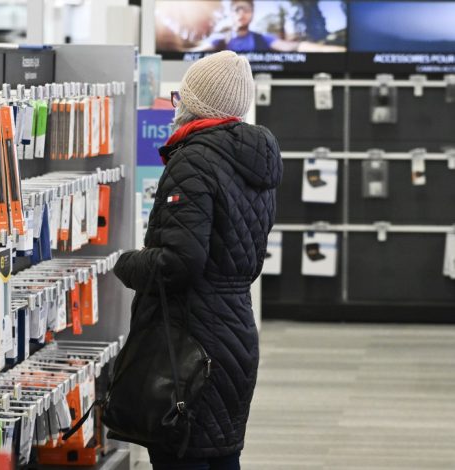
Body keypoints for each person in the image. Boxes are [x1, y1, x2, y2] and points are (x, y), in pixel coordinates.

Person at [113, 51, 282, 469]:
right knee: (221, 454)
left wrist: (127, 262)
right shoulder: (254, 163)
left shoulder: (194, 160)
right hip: (235, 332)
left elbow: (179, 262)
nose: (176, 106)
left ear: (195, 105)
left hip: (189, 340)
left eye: (180, 97)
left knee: (181, 452)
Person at [200, 0, 301, 52]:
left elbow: (293, 47)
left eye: (246, 10)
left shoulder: (263, 39)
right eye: (237, 9)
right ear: (231, 13)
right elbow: (193, 54)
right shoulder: (219, 40)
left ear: (252, 14)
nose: (241, 13)